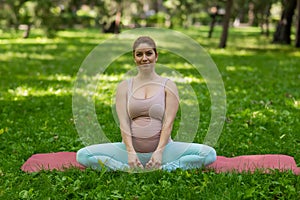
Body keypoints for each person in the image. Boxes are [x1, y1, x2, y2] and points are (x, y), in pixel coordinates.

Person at [76, 36, 217, 171]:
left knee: (209, 154)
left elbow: (168, 123)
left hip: (165, 150)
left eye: (149, 53)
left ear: (156, 56)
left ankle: (165, 169)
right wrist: (130, 152)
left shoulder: (168, 85)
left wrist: (159, 152)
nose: (144, 58)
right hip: (129, 153)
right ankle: (125, 168)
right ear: (134, 58)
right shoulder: (124, 86)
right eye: (139, 54)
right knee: (83, 155)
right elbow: (123, 123)